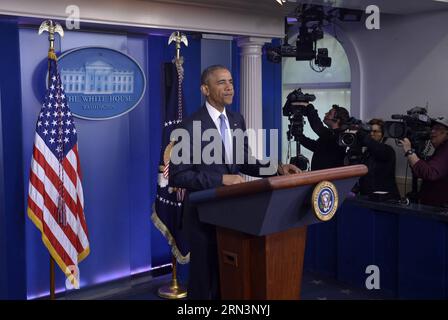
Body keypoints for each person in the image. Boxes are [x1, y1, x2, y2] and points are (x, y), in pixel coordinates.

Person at [169, 65, 300, 299]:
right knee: (203, 279)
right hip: (202, 214)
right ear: (205, 89)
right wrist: (222, 179)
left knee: (228, 275)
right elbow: (179, 175)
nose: (229, 87)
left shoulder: (237, 119)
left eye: (230, 81)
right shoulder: (187, 126)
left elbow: (244, 160)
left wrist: (277, 168)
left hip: (232, 213)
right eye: (221, 82)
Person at [400, 117, 448, 206]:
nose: (432, 132)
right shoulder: (440, 150)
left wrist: (409, 151)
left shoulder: (446, 150)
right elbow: (420, 171)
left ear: (446, 133)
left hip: (439, 210)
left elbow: (431, 173)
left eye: (437, 129)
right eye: (432, 128)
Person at [353, 118, 400, 199]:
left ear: (383, 134)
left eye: (375, 131)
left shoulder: (388, 150)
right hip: (368, 196)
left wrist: (362, 134)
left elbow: (376, 148)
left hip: (385, 199)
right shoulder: (366, 152)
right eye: (369, 131)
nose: (371, 134)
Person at [298, 103, 350, 170]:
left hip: (330, 178)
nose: (326, 114)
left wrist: (309, 107)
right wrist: (300, 137)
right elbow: (316, 147)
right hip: (320, 176)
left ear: (337, 120)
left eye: (329, 113)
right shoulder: (330, 134)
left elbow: (318, 127)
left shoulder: (339, 137)